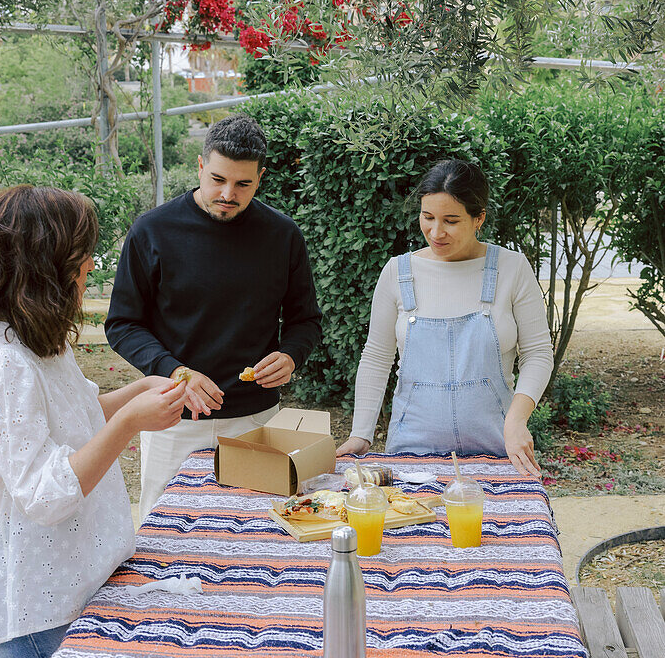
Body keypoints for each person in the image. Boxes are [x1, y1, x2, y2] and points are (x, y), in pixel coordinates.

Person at [0, 185, 189, 658]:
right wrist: (129, 425)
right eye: (81, 256)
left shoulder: (37, 342)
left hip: (68, 585)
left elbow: (73, 420)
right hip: (34, 612)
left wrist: (134, 394)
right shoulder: (4, 366)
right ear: (44, 269)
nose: (92, 266)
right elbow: (44, 494)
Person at [105, 115, 322, 517]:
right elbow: (122, 323)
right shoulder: (152, 231)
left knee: (257, 529)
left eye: (243, 184)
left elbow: (305, 320)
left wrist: (292, 354)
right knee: (164, 530)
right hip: (172, 417)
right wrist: (174, 371)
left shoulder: (283, 235)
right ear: (200, 165)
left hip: (257, 416)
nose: (228, 193)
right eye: (218, 178)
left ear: (260, 177)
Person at [337, 159, 553, 477]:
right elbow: (376, 358)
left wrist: (517, 420)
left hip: (497, 451)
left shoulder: (512, 268)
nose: (436, 232)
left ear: (478, 217)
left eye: (451, 221)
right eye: (428, 217)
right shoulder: (398, 272)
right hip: (411, 455)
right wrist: (360, 433)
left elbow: (537, 354)